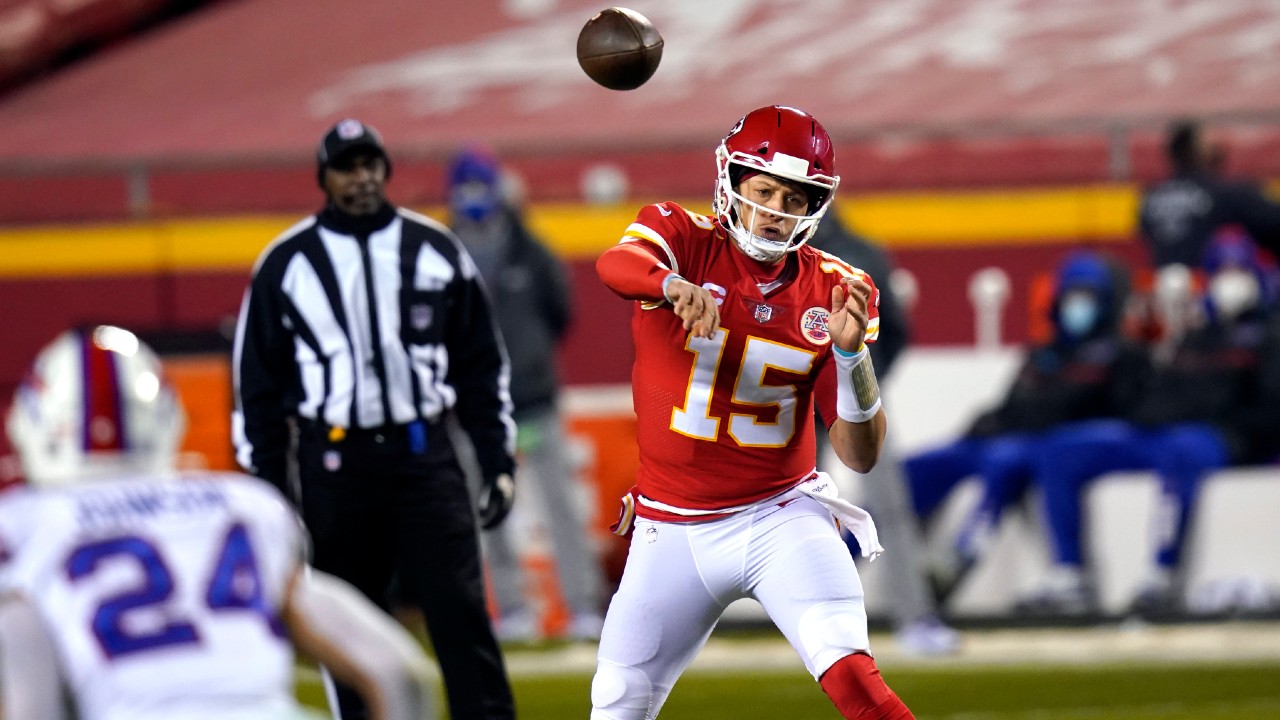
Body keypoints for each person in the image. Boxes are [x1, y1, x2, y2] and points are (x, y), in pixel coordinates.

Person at [591, 105, 913, 720]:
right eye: (763, 190)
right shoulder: (680, 239)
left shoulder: (836, 289)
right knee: (616, 704)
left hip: (779, 517)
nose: (774, 210)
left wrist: (851, 356)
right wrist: (669, 286)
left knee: (858, 685)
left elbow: (860, 454)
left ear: (816, 205)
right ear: (732, 181)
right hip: (671, 528)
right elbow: (616, 265)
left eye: (794, 199)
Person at [232, 118, 517, 720]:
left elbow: (480, 366)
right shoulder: (286, 262)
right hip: (335, 465)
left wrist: (496, 457)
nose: (361, 178)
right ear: (324, 177)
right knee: (351, 627)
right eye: (347, 167)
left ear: (385, 170)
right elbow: (258, 390)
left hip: (424, 458)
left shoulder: (435, 249)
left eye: (370, 165)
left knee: (460, 614)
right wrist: (270, 491)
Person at [0, 325, 435, 720]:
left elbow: (33, 702)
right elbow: (402, 674)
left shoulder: (23, 524)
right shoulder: (243, 504)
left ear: (33, 423)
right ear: (165, 418)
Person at [1020, 228, 1280, 618]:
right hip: (1164, 431)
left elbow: (1267, 408)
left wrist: (1210, 417)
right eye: (1221, 269)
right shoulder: (1193, 337)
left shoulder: (1268, 337)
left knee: (1184, 447)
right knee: (1062, 450)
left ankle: (1161, 575)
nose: (1229, 279)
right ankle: (1068, 575)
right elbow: (1155, 399)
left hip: (1225, 437)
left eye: (1237, 268)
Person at [902, 251, 1150, 608]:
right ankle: (844, 567)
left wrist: (1034, 416)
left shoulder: (1120, 354)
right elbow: (1011, 407)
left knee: (1006, 460)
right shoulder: (1043, 354)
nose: (1078, 305)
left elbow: (1104, 410)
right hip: (1013, 439)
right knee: (916, 467)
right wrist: (985, 424)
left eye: (1089, 296)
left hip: (1052, 448)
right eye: (1072, 295)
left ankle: (963, 556)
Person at [446, 146, 606, 642]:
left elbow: (559, 311)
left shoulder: (531, 251)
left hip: (533, 399)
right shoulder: (439, 252)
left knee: (561, 507)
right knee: (488, 510)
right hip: (474, 406)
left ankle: (580, 605)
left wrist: (531, 363)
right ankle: (512, 608)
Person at [807, 209, 958, 656]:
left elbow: (893, 329)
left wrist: (861, 380)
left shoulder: (859, 254)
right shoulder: (783, 252)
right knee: (789, 511)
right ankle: (809, 621)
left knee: (888, 504)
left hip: (847, 392)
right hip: (795, 396)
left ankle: (914, 616)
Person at [1138, 118, 1280, 267]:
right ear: (1195, 150)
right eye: (1211, 143)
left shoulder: (1150, 197)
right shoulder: (1226, 193)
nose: (1219, 146)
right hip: (1217, 281)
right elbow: (1273, 218)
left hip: (1167, 282)